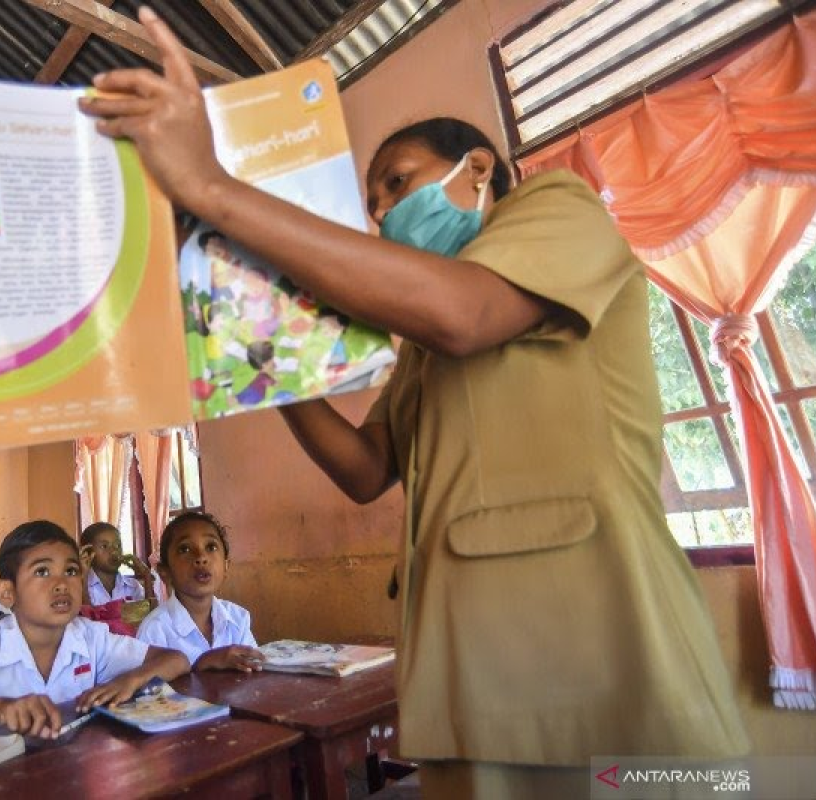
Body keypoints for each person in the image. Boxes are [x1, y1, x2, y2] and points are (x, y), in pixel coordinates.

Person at [81, 8, 748, 797]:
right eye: (373, 202)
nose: (385, 213)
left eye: (396, 183)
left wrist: (214, 191)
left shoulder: (557, 210)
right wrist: (268, 365)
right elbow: (365, 471)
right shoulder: (423, 349)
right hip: (466, 662)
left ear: (477, 168)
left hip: (602, 640)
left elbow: (463, 314)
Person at [0, 521, 190, 738]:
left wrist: (130, 680)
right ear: (7, 593)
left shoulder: (90, 636)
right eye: (43, 572)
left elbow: (176, 660)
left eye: (71, 571)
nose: (61, 583)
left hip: (72, 764)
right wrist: (0, 708)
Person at [136, 512, 262, 672]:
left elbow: (254, 673)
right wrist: (201, 665)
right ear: (165, 572)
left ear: (226, 566)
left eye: (211, 547)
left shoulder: (238, 619)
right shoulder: (155, 629)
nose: (201, 557)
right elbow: (147, 692)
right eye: (185, 549)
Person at [80, 521, 156, 606]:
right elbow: (84, 617)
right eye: (104, 546)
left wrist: (147, 576)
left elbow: (153, 616)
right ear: (87, 553)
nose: (114, 552)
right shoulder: (80, 587)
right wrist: (84, 578)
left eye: (118, 545)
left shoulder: (132, 586)